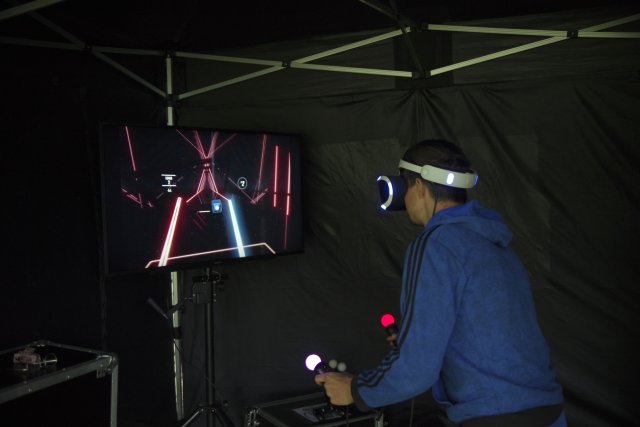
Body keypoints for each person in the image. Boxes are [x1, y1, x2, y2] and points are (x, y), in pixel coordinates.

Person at [315, 139, 566, 426]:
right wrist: (416, 339)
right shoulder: (497, 243)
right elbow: (491, 335)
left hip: (494, 418)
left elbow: (417, 368)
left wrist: (355, 390)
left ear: (419, 187)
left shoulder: (436, 244)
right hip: (549, 413)